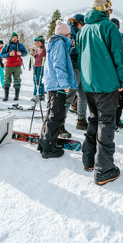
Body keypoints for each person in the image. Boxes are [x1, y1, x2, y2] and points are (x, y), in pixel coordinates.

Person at [77, 0, 123, 186]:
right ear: (106, 11)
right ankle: (104, 169)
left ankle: (88, 159)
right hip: (106, 84)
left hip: (89, 84)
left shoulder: (83, 31)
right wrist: (122, 80)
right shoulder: (109, 27)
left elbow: (80, 57)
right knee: (107, 122)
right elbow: (118, 56)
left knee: (94, 118)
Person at [38, 20, 78, 159]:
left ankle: (43, 143)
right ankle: (48, 148)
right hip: (57, 84)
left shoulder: (55, 43)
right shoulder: (60, 43)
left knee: (51, 113)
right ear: (65, 34)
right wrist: (64, 83)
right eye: (69, 35)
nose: (70, 37)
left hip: (53, 84)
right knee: (56, 115)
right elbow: (59, 65)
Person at [64, 14, 88, 133]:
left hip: (80, 67)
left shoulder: (78, 32)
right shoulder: (70, 33)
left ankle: (81, 120)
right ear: (79, 23)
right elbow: (70, 50)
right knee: (70, 96)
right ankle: (60, 123)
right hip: (73, 67)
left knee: (83, 95)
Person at [1, 32, 27, 102]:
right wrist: (8, 54)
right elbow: (1, 54)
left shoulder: (20, 45)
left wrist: (21, 53)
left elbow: (25, 53)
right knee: (6, 80)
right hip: (8, 65)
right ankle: (6, 96)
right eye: (14, 37)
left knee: (17, 80)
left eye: (16, 37)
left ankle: (16, 96)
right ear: (11, 38)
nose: (15, 39)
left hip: (17, 66)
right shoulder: (7, 46)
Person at [30, 36, 46, 102]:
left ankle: (38, 94)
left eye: (39, 42)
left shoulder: (44, 48)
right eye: (37, 42)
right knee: (35, 80)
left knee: (38, 80)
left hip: (41, 65)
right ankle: (40, 94)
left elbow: (45, 57)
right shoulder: (38, 48)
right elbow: (37, 57)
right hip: (36, 65)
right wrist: (34, 53)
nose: (38, 43)